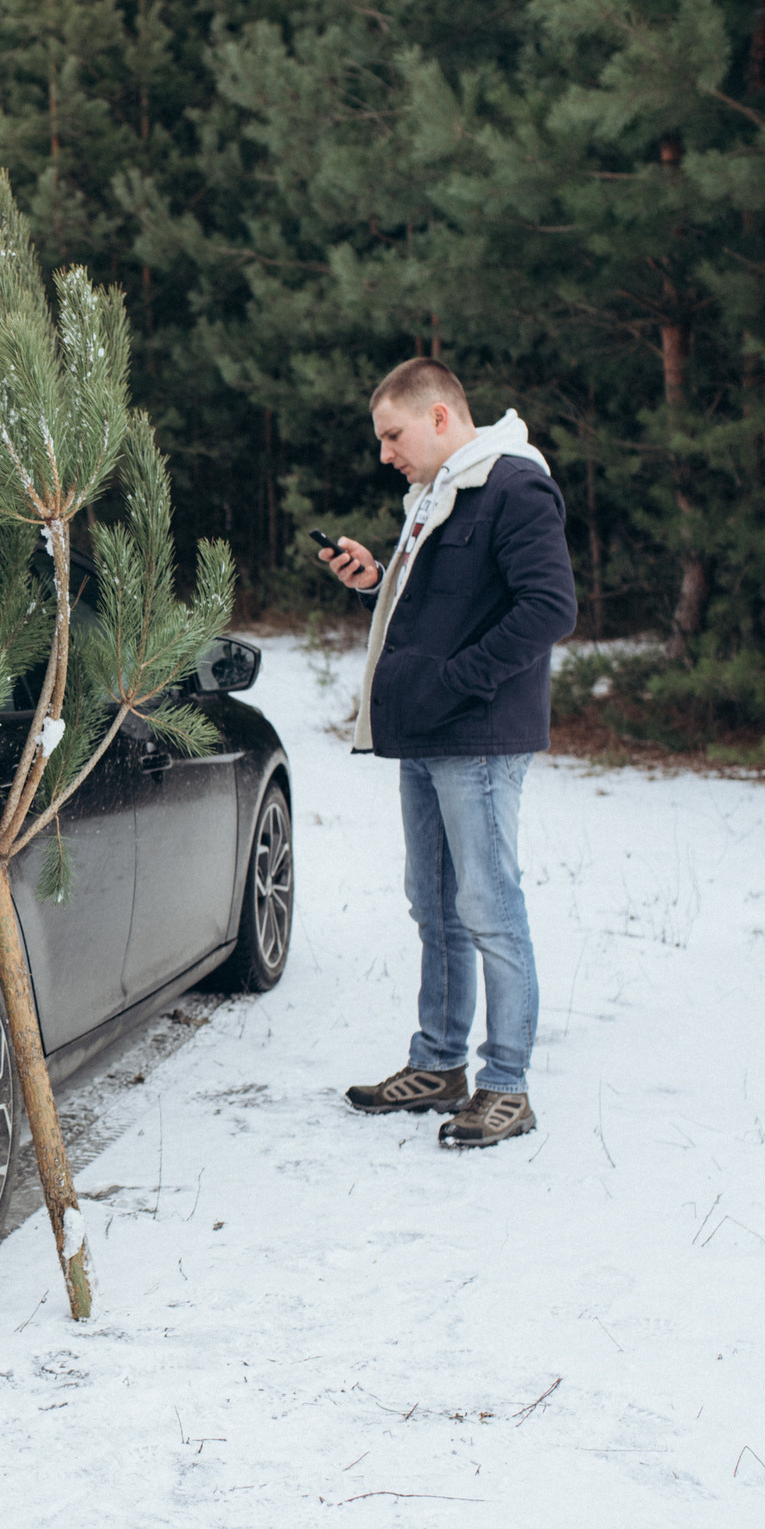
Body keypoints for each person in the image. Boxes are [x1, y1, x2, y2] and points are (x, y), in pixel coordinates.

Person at [316, 359, 576, 1148]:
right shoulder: (438, 493)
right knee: (434, 906)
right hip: (429, 738)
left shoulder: (513, 485)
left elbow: (549, 607)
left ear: (438, 418)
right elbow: (450, 604)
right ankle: (438, 1064)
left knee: (489, 906)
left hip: (480, 738)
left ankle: (506, 1084)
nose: (385, 453)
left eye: (392, 435)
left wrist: (458, 682)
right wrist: (373, 583)